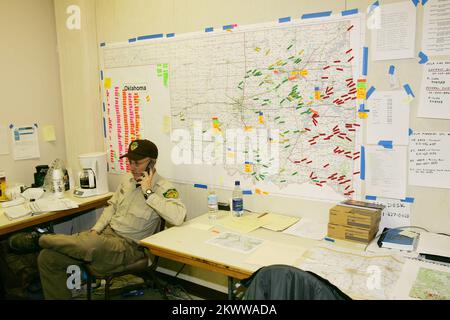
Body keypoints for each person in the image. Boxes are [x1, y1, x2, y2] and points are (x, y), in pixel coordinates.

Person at [9, 139, 187, 299]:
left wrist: (148, 192)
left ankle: (39, 239)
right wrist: (96, 229)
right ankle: (45, 242)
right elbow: (111, 208)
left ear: (152, 163)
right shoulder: (127, 181)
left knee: (91, 244)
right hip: (105, 237)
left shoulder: (163, 188)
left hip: (129, 247)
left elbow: (178, 217)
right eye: (130, 162)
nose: (132, 167)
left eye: (138, 163)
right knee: (48, 257)